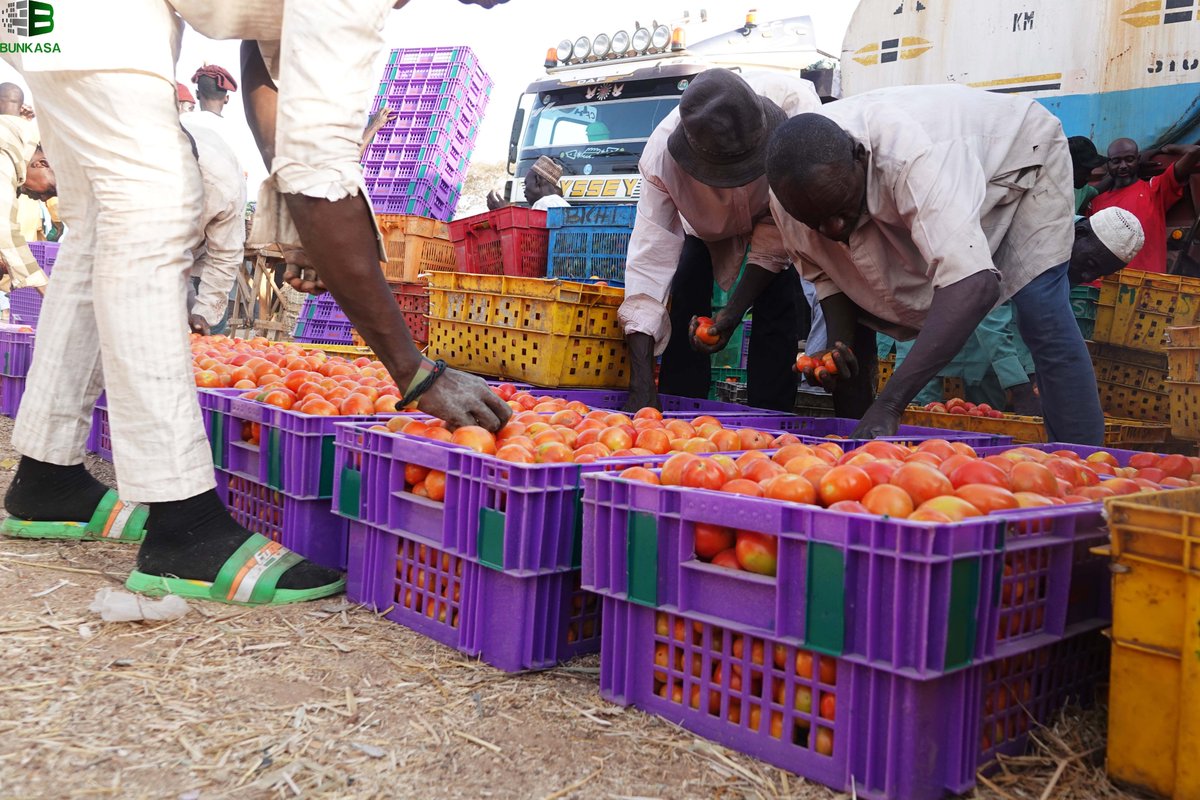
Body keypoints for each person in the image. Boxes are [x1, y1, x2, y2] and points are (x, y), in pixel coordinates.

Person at [0, 0, 510, 609]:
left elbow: (263, 55)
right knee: (152, 211)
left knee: (95, 224)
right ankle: (182, 526)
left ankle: (46, 479)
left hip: (52, 19)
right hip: (97, 23)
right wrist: (414, 370)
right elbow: (318, 171)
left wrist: (296, 204)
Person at [766, 84, 1106, 444]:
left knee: (1041, 311)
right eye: (815, 221)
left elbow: (973, 285)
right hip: (929, 177)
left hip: (1020, 160)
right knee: (859, 308)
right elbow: (829, 278)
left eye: (839, 210)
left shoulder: (913, 158)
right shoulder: (790, 195)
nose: (831, 229)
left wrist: (890, 404)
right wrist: (837, 348)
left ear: (861, 157)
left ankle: (1082, 461)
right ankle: (860, 452)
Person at [620, 68, 822, 413]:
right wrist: (640, 381)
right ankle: (682, 409)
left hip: (776, 213)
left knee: (779, 303)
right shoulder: (661, 159)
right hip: (702, 227)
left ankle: (770, 418)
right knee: (686, 292)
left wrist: (732, 313)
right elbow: (649, 263)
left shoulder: (796, 111)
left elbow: (779, 228)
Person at [1089, 137, 1200, 274]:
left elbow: (1194, 152)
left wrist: (1166, 148)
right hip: (1102, 288)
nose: (1123, 166)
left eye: (1129, 159)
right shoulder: (1095, 202)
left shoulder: (1154, 189)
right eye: (1116, 161)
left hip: (1145, 287)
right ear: (1108, 164)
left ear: (1138, 159)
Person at [182, 122, 246, 337]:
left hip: (198, 248)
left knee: (200, 323)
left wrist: (204, 313)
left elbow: (224, 255)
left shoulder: (221, 186)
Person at [0, 116, 54, 298]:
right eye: (48, 190)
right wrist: (44, 287)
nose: (42, 198)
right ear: (42, 164)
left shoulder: (22, 141)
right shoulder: (5, 150)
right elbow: (3, 226)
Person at [486, 155, 569, 211]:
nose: (524, 191)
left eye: (526, 184)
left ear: (537, 180)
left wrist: (504, 212)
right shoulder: (563, 204)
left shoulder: (543, 204)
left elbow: (533, 235)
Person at [1069, 136, 1107, 215]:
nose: (1089, 177)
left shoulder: (1079, 188)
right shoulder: (1043, 193)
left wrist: (1114, 175)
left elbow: (1095, 191)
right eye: (1084, 172)